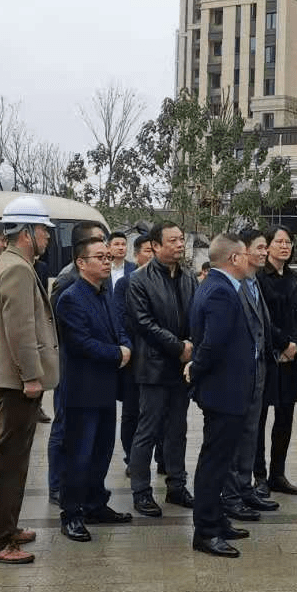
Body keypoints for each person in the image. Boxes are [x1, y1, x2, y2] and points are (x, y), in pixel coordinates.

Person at [0, 196, 59, 564]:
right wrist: (31, 376)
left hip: (14, 381)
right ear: (26, 232)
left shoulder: (15, 264)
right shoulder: (17, 269)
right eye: (43, 230)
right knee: (8, 464)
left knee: (14, 461)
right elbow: (20, 331)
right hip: (15, 383)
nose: (46, 236)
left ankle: (7, 527)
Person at [54, 237, 133, 541]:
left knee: (101, 452)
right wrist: (118, 354)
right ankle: (71, 514)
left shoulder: (105, 293)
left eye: (107, 256)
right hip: (82, 390)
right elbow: (80, 343)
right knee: (79, 455)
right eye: (99, 257)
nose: (106, 260)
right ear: (81, 263)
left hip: (105, 388)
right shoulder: (71, 297)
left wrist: (125, 345)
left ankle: (95, 504)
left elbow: (120, 327)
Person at [185, 234, 255, 557]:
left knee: (220, 460)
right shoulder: (220, 293)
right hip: (223, 393)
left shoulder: (217, 286)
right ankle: (206, 531)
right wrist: (194, 369)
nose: (250, 260)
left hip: (227, 391)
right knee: (214, 463)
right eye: (245, 255)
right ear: (234, 259)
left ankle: (217, 519)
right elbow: (211, 345)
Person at [126, 221, 197, 516]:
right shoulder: (139, 280)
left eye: (182, 239)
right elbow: (143, 323)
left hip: (182, 368)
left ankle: (176, 486)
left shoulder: (189, 278)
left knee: (178, 429)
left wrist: (192, 344)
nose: (180, 244)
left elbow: (197, 314)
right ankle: (141, 491)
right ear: (155, 246)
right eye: (173, 240)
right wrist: (178, 347)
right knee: (148, 430)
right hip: (154, 367)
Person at [46, 221, 108, 505]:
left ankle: (92, 499)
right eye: (99, 247)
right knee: (69, 436)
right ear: (80, 255)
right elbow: (67, 333)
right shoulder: (69, 283)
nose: (106, 254)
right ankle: (61, 490)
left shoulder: (102, 286)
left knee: (98, 446)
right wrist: (115, 352)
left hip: (101, 379)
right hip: (76, 376)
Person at [221, 229, 279, 521]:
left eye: (265, 247)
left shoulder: (255, 283)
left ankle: (245, 488)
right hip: (238, 375)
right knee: (235, 436)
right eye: (258, 248)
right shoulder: (234, 286)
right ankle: (230, 496)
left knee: (250, 434)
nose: (263, 252)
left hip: (258, 371)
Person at [254, 226, 297, 497]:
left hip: (291, 358)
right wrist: (283, 343)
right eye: (279, 241)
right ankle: (260, 477)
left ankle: (278, 474)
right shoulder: (258, 279)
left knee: (285, 419)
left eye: (288, 241)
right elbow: (262, 319)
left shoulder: (294, 279)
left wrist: (296, 343)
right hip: (268, 357)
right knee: (260, 419)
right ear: (268, 246)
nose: (285, 246)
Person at [113, 233, 155, 471]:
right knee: (131, 412)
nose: (151, 255)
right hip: (134, 359)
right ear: (137, 254)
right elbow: (119, 320)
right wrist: (127, 347)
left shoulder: (168, 280)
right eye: (147, 250)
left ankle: (161, 459)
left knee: (158, 412)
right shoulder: (125, 283)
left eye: (154, 249)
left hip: (159, 358)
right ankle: (132, 458)